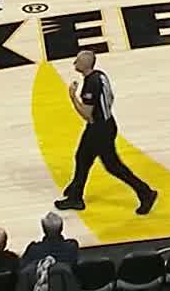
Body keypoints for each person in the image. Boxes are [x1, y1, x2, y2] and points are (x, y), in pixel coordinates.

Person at [55, 48, 160, 209]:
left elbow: (87, 114)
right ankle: (76, 191)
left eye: (77, 61)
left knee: (113, 166)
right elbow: (110, 97)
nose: (74, 62)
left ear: (85, 65)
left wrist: (72, 96)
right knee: (82, 157)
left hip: (99, 129)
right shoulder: (100, 75)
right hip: (107, 123)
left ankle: (145, 192)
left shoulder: (90, 84)